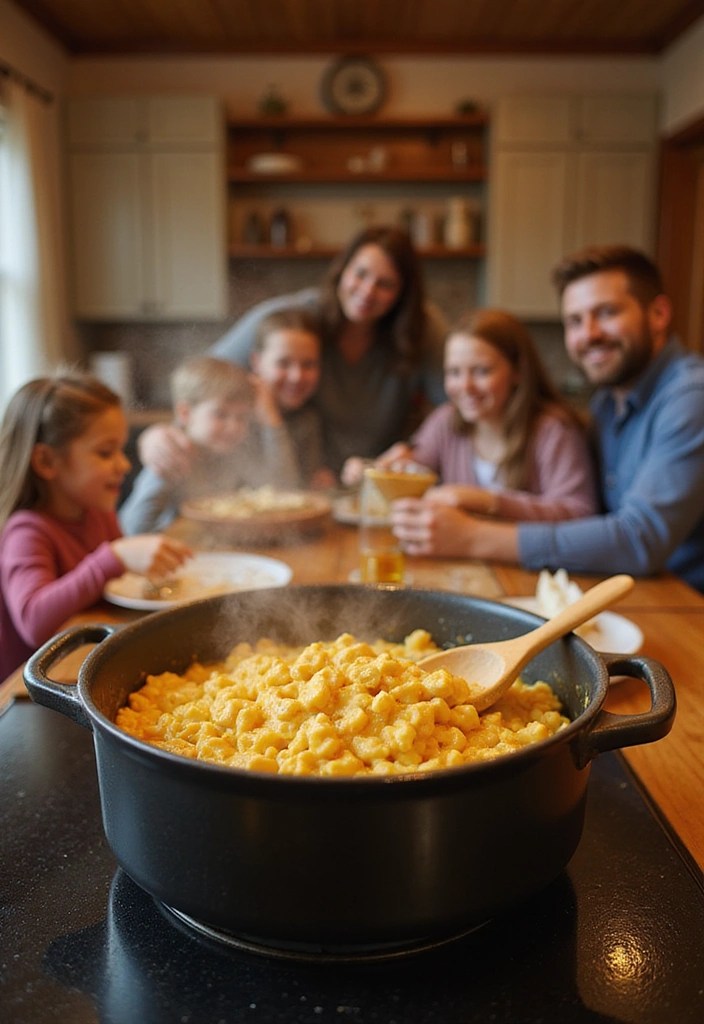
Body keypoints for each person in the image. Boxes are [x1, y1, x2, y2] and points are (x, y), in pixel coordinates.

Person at [391, 245, 704, 592]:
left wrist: (473, 537)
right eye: (575, 321)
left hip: (687, 602)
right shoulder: (606, 402)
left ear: (659, 314)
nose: (589, 333)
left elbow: (638, 539)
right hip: (638, 588)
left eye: (607, 312)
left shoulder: (691, 398)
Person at [138, 225, 448, 478]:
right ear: (341, 271)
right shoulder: (294, 319)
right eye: (360, 274)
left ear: (403, 294)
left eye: (386, 284)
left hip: (375, 483)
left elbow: (458, 404)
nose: (367, 291)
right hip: (305, 484)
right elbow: (204, 378)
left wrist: (418, 450)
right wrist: (159, 434)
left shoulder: (421, 328)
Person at [0, 372, 190, 679]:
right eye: (105, 452)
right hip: (34, 690)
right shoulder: (27, 531)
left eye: (121, 449)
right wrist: (113, 558)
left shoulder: (97, 512)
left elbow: (116, 584)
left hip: (87, 662)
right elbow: (34, 623)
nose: (124, 464)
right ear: (47, 462)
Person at [344, 309, 598, 521]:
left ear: (518, 371)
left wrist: (485, 500)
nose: (465, 387)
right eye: (454, 372)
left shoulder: (553, 430)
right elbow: (412, 465)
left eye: (481, 371)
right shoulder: (446, 421)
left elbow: (578, 512)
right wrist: (373, 469)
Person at [119, 354, 306, 534]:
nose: (233, 427)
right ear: (185, 413)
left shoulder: (236, 453)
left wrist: (271, 423)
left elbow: (283, 488)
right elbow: (131, 527)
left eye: (241, 417)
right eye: (220, 415)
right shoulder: (171, 457)